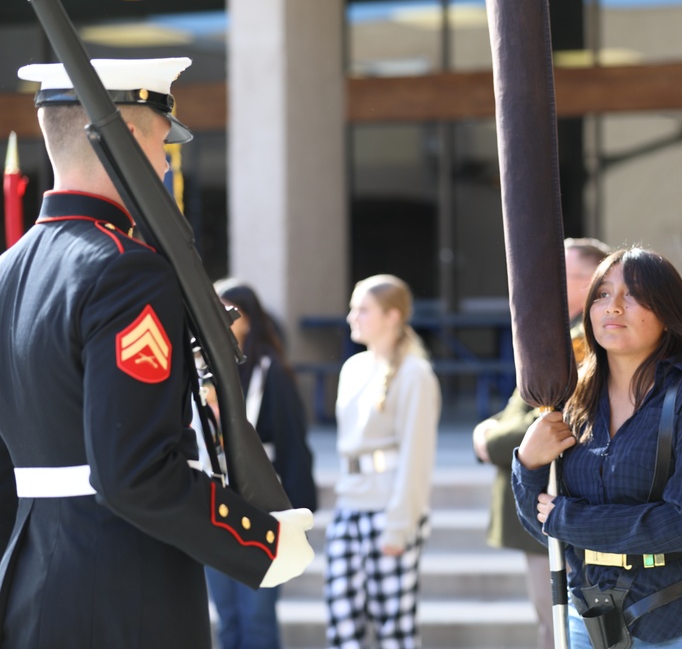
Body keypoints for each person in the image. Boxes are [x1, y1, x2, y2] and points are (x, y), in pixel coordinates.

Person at [0, 58, 314, 649]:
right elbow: (134, 473)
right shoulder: (126, 271)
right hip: (121, 593)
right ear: (126, 140)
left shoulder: (7, 272)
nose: (166, 163)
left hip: (29, 585)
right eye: (161, 142)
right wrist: (258, 541)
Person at [513, 248, 682, 648]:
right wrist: (527, 463)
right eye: (602, 295)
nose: (614, 307)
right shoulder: (571, 396)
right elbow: (542, 526)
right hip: (590, 620)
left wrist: (571, 520)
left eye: (634, 295)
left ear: (667, 312)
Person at [472, 237, 610, 649]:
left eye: (561, 275)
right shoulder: (560, 333)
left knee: (559, 630)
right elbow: (520, 409)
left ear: (588, 282)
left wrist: (489, 440)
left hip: (551, 505)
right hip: (534, 501)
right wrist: (493, 429)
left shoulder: (583, 340)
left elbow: (554, 422)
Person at [325, 274, 441, 648]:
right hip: (350, 507)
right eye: (352, 308)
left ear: (393, 316)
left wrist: (400, 524)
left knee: (395, 630)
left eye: (363, 309)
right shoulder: (353, 368)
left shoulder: (416, 373)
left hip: (389, 508)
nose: (352, 317)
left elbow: (417, 457)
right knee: (342, 625)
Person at [206, 279, 319, 649]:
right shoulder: (206, 370)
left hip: (261, 504)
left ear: (248, 319)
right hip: (215, 500)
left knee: (257, 615)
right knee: (226, 614)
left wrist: (301, 508)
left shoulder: (270, 371)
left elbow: (291, 443)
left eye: (226, 311)